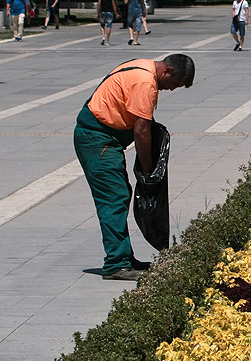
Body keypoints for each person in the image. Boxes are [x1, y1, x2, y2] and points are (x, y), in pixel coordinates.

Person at [73, 54, 195, 280]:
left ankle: (124, 258)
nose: (171, 90)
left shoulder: (143, 66)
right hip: (97, 139)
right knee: (114, 197)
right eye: (174, 84)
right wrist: (149, 172)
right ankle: (116, 264)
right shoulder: (145, 82)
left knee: (120, 194)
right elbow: (141, 130)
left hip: (103, 138)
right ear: (167, 71)